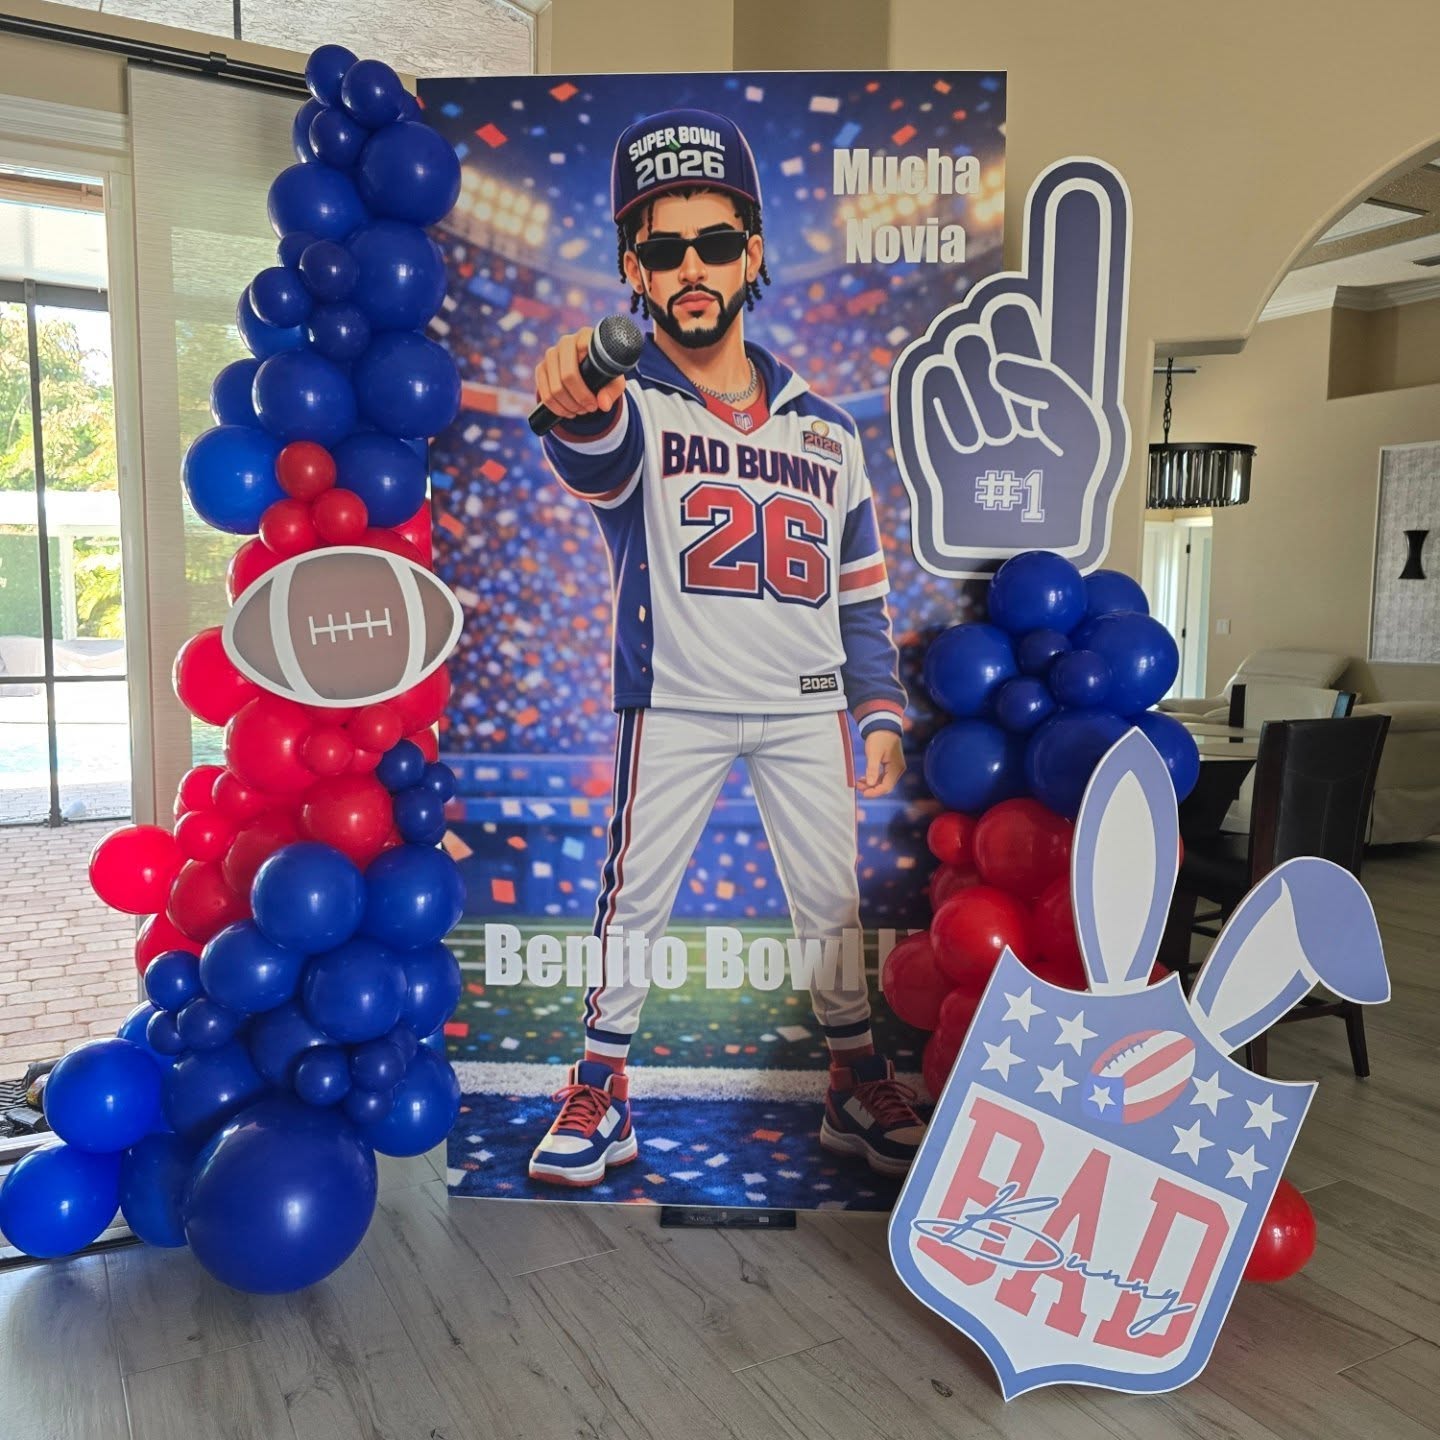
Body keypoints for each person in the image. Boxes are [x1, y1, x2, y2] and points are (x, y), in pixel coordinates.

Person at [528, 108, 922, 1188]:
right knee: (637, 895)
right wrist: (578, 399)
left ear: (753, 252)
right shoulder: (634, 400)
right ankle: (601, 1087)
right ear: (634, 271)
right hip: (680, 694)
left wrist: (879, 706)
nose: (690, 268)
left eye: (712, 243)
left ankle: (854, 1081)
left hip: (807, 702)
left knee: (832, 900)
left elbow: (861, 594)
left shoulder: (829, 428)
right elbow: (596, 456)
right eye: (663, 250)